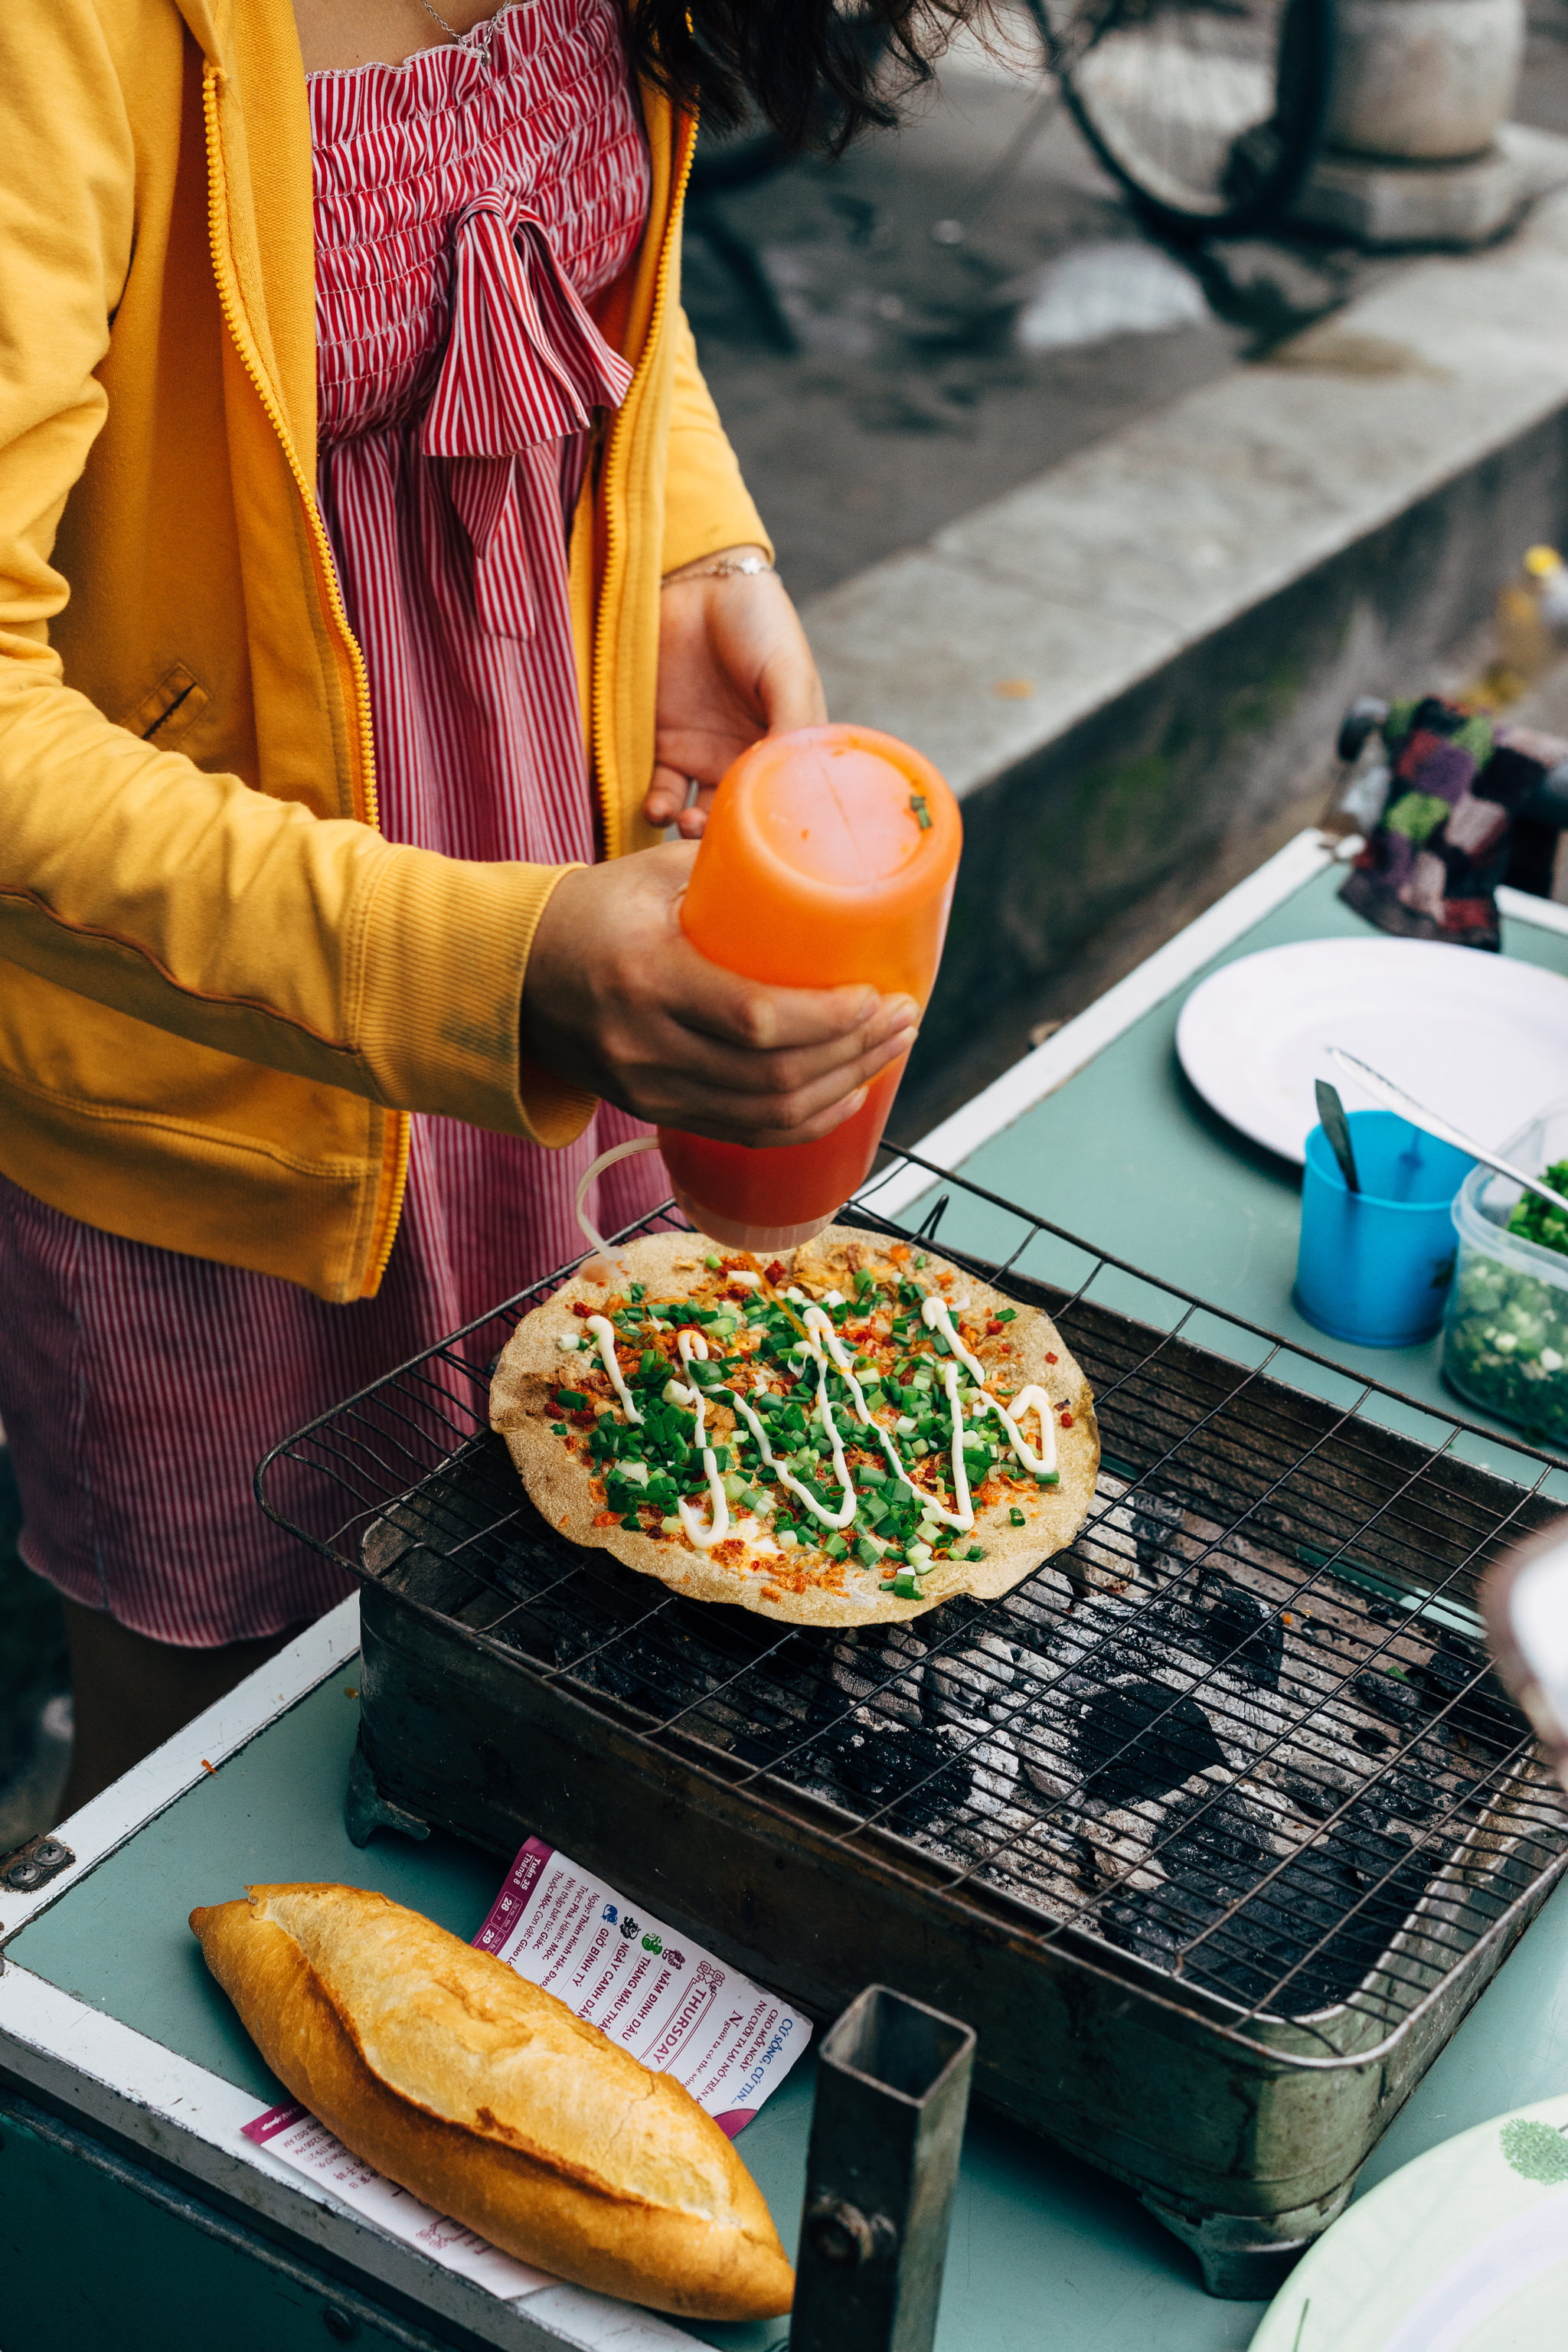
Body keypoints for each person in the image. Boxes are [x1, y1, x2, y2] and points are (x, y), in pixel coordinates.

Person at [0, 0, 963, 1815]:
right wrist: (499, 968)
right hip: (216, 1002)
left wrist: (695, 549)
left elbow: (584, 272)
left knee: (562, 1578)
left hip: (552, 880)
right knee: (204, 1749)